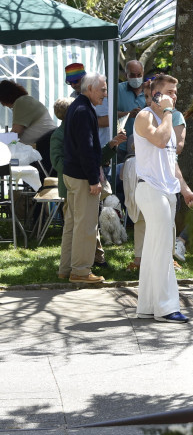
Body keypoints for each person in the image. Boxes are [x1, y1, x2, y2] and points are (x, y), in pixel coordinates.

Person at [133, 75, 193, 323]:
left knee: (154, 249)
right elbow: (160, 141)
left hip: (167, 190)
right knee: (163, 251)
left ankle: (148, 306)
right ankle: (167, 308)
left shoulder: (165, 120)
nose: (175, 96)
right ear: (156, 94)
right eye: (170, 91)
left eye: (176, 92)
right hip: (150, 189)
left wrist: (185, 189)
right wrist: (168, 112)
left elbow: (171, 161)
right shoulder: (146, 116)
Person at [51, 97, 125, 279]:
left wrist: (111, 145)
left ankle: (69, 269)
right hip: (75, 186)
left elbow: (91, 158)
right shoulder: (60, 135)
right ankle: (79, 270)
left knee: (78, 227)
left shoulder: (70, 132)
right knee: (80, 228)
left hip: (79, 183)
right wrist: (80, 170)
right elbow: (59, 162)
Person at [61, 73, 110, 284]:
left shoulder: (78, 106)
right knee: (86, 225)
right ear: (89, 88)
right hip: (81, 176)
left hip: (72, 174)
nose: (105, 95)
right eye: (102, 90)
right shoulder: (83, 110)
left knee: (72, 224)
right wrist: (93, 179)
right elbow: (86, 148)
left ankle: (66, 269)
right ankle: (80, 271)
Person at [0, 80, 57, 148]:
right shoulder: (26, 100)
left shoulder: (21, 102)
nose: (3, 105)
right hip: (47, 141)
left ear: (5, 97)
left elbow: (16, 132)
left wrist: (5, 143)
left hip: (44, 144)